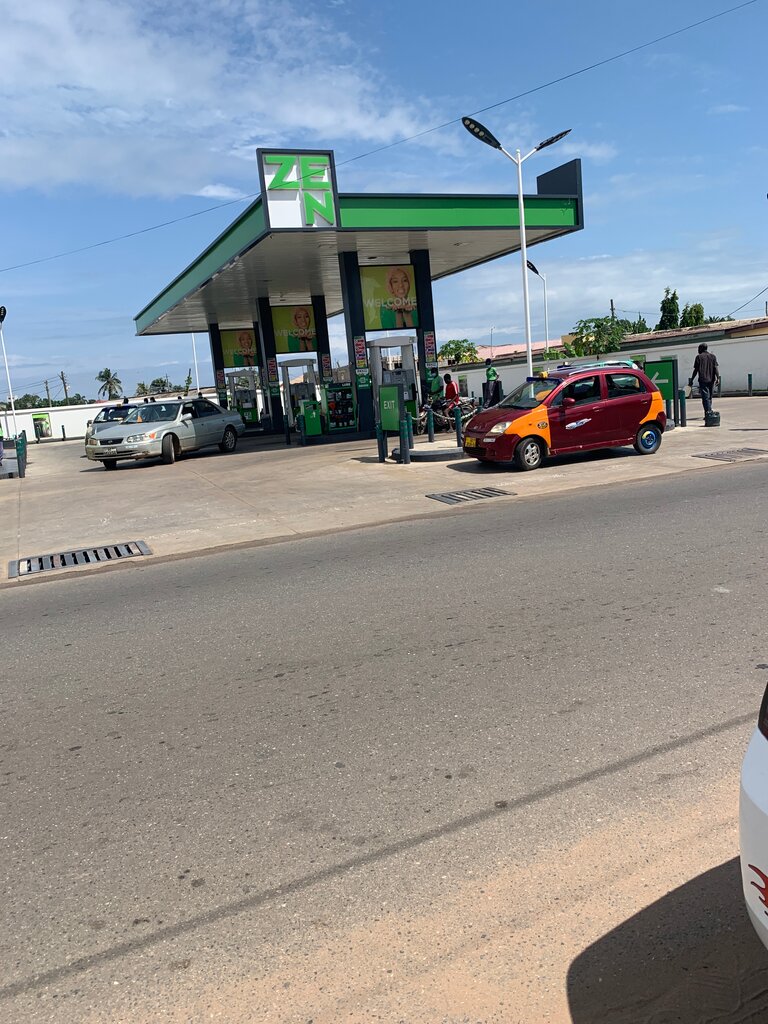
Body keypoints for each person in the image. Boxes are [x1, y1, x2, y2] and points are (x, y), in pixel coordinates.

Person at [689, 343, 720, 416]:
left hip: (703, 379)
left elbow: (696, 370)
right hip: (711, 379)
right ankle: (709, 411)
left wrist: (692, 379)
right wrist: (718, 378)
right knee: (709, 397)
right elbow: (716, 368)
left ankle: (708, 413)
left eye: (698, 349)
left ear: (701, 349)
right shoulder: (713, 356)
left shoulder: (698, 357)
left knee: (705, 397)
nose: (698, 350)